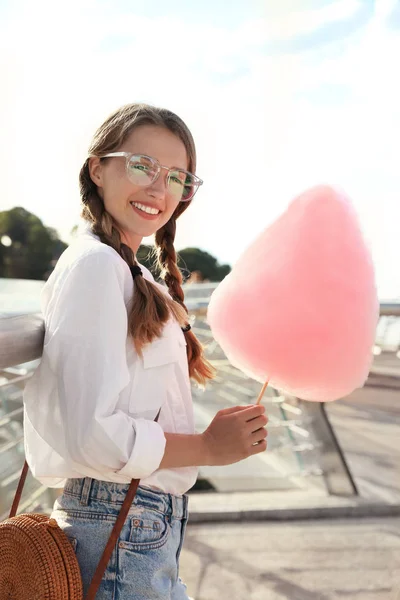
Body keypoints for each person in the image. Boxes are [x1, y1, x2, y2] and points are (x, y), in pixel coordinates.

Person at [22, 102, 269, 599]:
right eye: (143, 166)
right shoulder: (94, 267)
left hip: (137, 524)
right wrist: (207, 447)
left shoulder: (132, 272)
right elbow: (93, 434)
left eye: (178, 177)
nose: (160, 189)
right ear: (98, 168)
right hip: (116, 524)